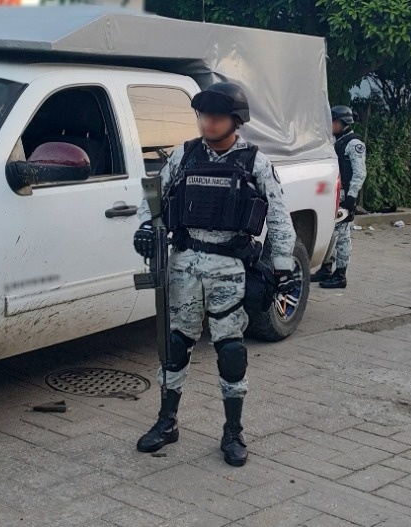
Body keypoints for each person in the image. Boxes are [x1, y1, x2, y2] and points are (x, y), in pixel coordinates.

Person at [132, 82, 296, 467]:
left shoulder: (254, 162)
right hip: (184, 265)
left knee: (231, 351)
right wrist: (144, 227)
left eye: (217, 116)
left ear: (235, 121)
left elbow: (279, 218)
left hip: (229, 270)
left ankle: (233, 432)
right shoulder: (185, 155)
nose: (208, 122)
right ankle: (167, 422)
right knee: (174, 346)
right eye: (203, 115)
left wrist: (283, 268)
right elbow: (151, 197)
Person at [312, 105, 366, 289]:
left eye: (333, 121)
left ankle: (341, 274)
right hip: (332, 194)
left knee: (342, 236)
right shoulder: (336, 141)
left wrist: (351, 198)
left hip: (344, 196)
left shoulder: (354, 144)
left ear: (343, 122)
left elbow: (360, 173)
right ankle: (326, 268)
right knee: (328, 233)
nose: (330, 125)